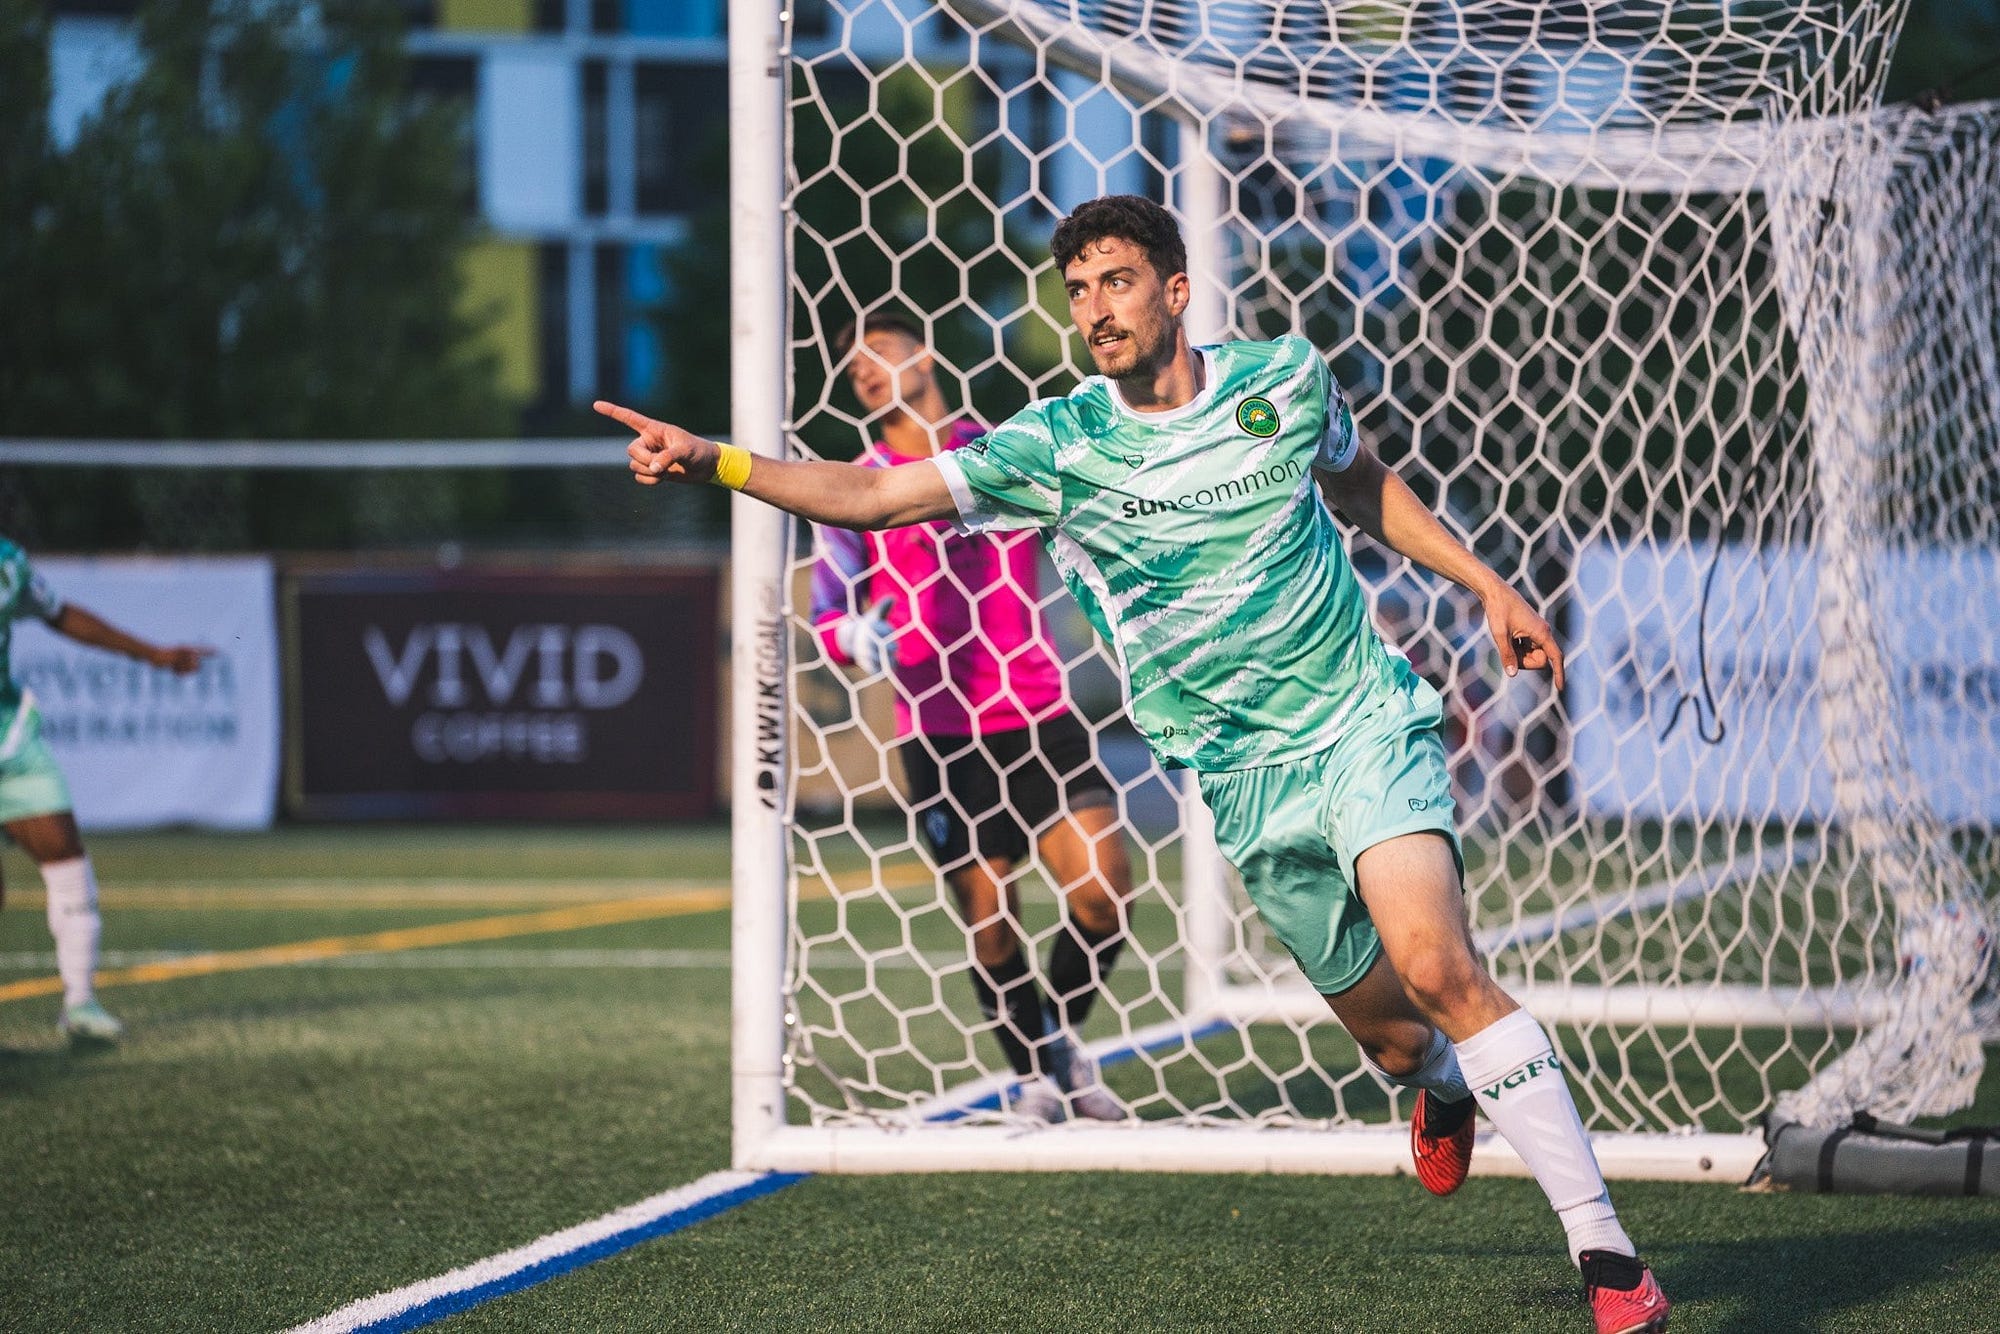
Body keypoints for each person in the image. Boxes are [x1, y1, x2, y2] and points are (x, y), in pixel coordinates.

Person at [597, 194, 1670, 1334]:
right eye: (1077, 291)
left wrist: (1486, 583)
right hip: (1244, 781)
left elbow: (1362, 488)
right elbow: (870, 495)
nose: (1094, 309)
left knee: (1438, 961)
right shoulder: (1059, 446)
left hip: (1361, 721)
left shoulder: (1283, 379)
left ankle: (1607, 1258)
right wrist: (713, 459)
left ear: (1173, 289)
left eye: (1115, 281)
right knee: (1395, 1032)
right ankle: (1439, 1087)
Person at [808, 309, 1138, 1123]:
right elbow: (826, 609)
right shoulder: (862, 481)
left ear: (926, 355)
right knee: (993, 929)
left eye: (878, 353)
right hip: (942, 732)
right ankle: (1030, 1076)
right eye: (852, 366)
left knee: (1105, 894)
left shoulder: (1005, 447)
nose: (864, 370)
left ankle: (1057, 1034)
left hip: (1036, 709)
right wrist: (853, 633)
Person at [0, 535, 214, 1044]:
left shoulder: (8, 563)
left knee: (65, 854)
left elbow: (62, 615)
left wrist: (151, 654)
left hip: (9, 737)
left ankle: (80, 1003)